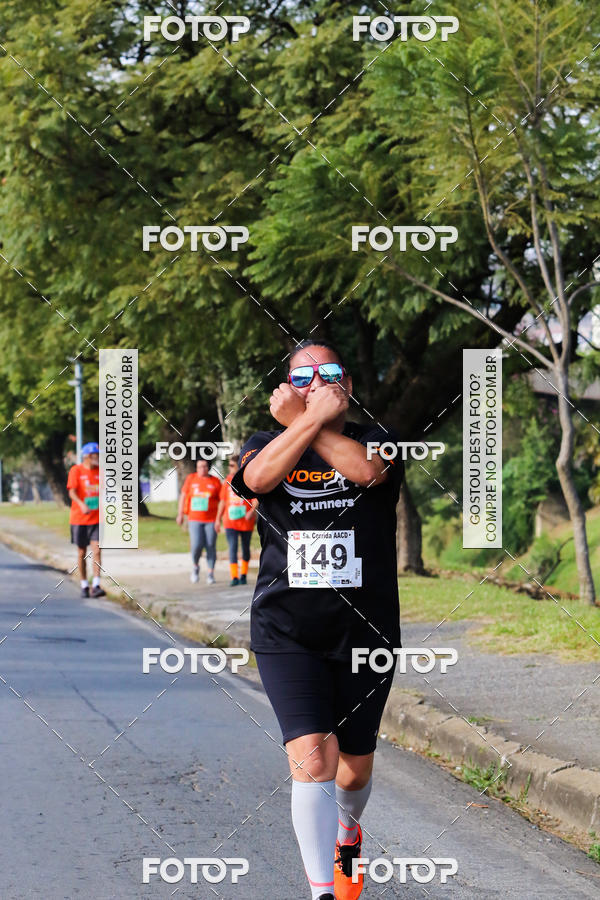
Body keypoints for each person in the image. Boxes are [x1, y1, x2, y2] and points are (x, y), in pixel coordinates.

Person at [231, 340, 404, 900]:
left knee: (354, 768)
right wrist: (301, 425)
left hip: (365, 633)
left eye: (329, 373)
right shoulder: (263, 444)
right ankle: (322, 891)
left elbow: (366, 472)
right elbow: (258, 481)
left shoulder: (377, 438)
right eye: (303, 377)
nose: (318, 382)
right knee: (312, 757)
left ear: (347, 385)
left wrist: (305, 421)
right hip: (287, 630)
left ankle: (348, 832)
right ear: (287, 388)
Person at [67, 441, 106, 599]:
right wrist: (82, 504)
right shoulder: (76, 470)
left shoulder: (100, 472)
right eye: (96, 455)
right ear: (88, 456)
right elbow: (72, 492)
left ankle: (96, 585)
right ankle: (84, 584)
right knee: (82, 552)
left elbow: (104, 491)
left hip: (97, 518)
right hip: (79, 519)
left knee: (97, 550)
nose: (98, 457)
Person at [176, 459, 221, 584]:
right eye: (200, 466)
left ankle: (210, 573)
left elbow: (222, 500)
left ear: (208, 467)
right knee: (196, 545)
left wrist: (219, 519)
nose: (202, 469)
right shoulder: (191, 479)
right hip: (194, 519)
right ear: (196, 468)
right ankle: (195, 566)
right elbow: (183, 496)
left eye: (205, 466)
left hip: (211, 519)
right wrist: (180, 514)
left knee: (210, 545)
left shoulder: (215, 481)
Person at [215, 458, 258, 586]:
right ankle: (234, 576)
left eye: (232, 465)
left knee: (245, 548)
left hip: (246, 521)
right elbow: (223, 501)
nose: (230, 467)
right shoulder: (227, 481)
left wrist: (252, 512)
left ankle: (243, 575)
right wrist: (217, 519)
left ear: (239, 465)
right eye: (229, 465)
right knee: (232, 548)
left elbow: (256, 499)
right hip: (230, 521)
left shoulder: (248, 479)